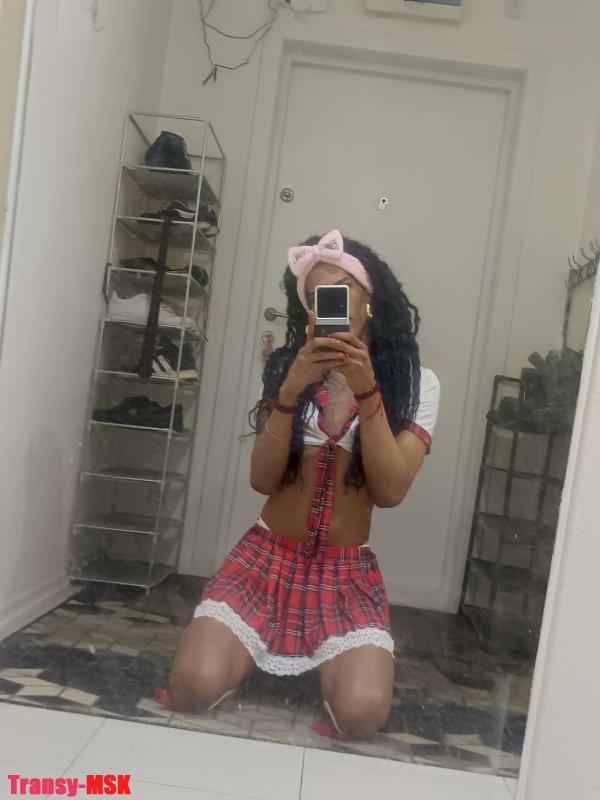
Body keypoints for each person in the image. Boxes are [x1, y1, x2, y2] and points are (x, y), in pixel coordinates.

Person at [169, 229, 441, 739]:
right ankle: (260, 653)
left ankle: (318, 662)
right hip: (265, 561)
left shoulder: (416, 384)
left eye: (341, 291)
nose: (327, 305)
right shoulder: (285, 370)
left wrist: (368, 392)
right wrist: (290, 388)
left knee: (361, 715)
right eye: (316, 298)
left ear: (370, 300)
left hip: (345, 577)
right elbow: (261, 480)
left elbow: (390, 491)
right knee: (193, 687)